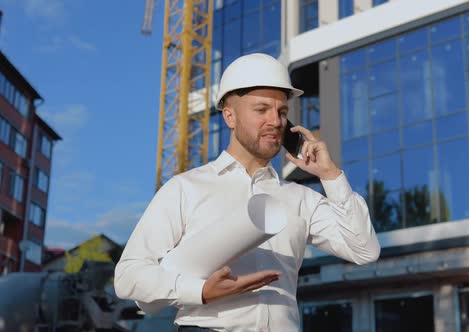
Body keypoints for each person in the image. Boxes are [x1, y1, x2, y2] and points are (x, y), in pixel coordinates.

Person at [114, 53, 381, 331]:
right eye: (261, 109)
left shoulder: (300, 198)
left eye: (281, 112)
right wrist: (201, 291)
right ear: (229, 116)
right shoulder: (186, 188)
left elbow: (364, 251)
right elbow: (129, 276)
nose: (275, 122)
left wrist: (331, 176)